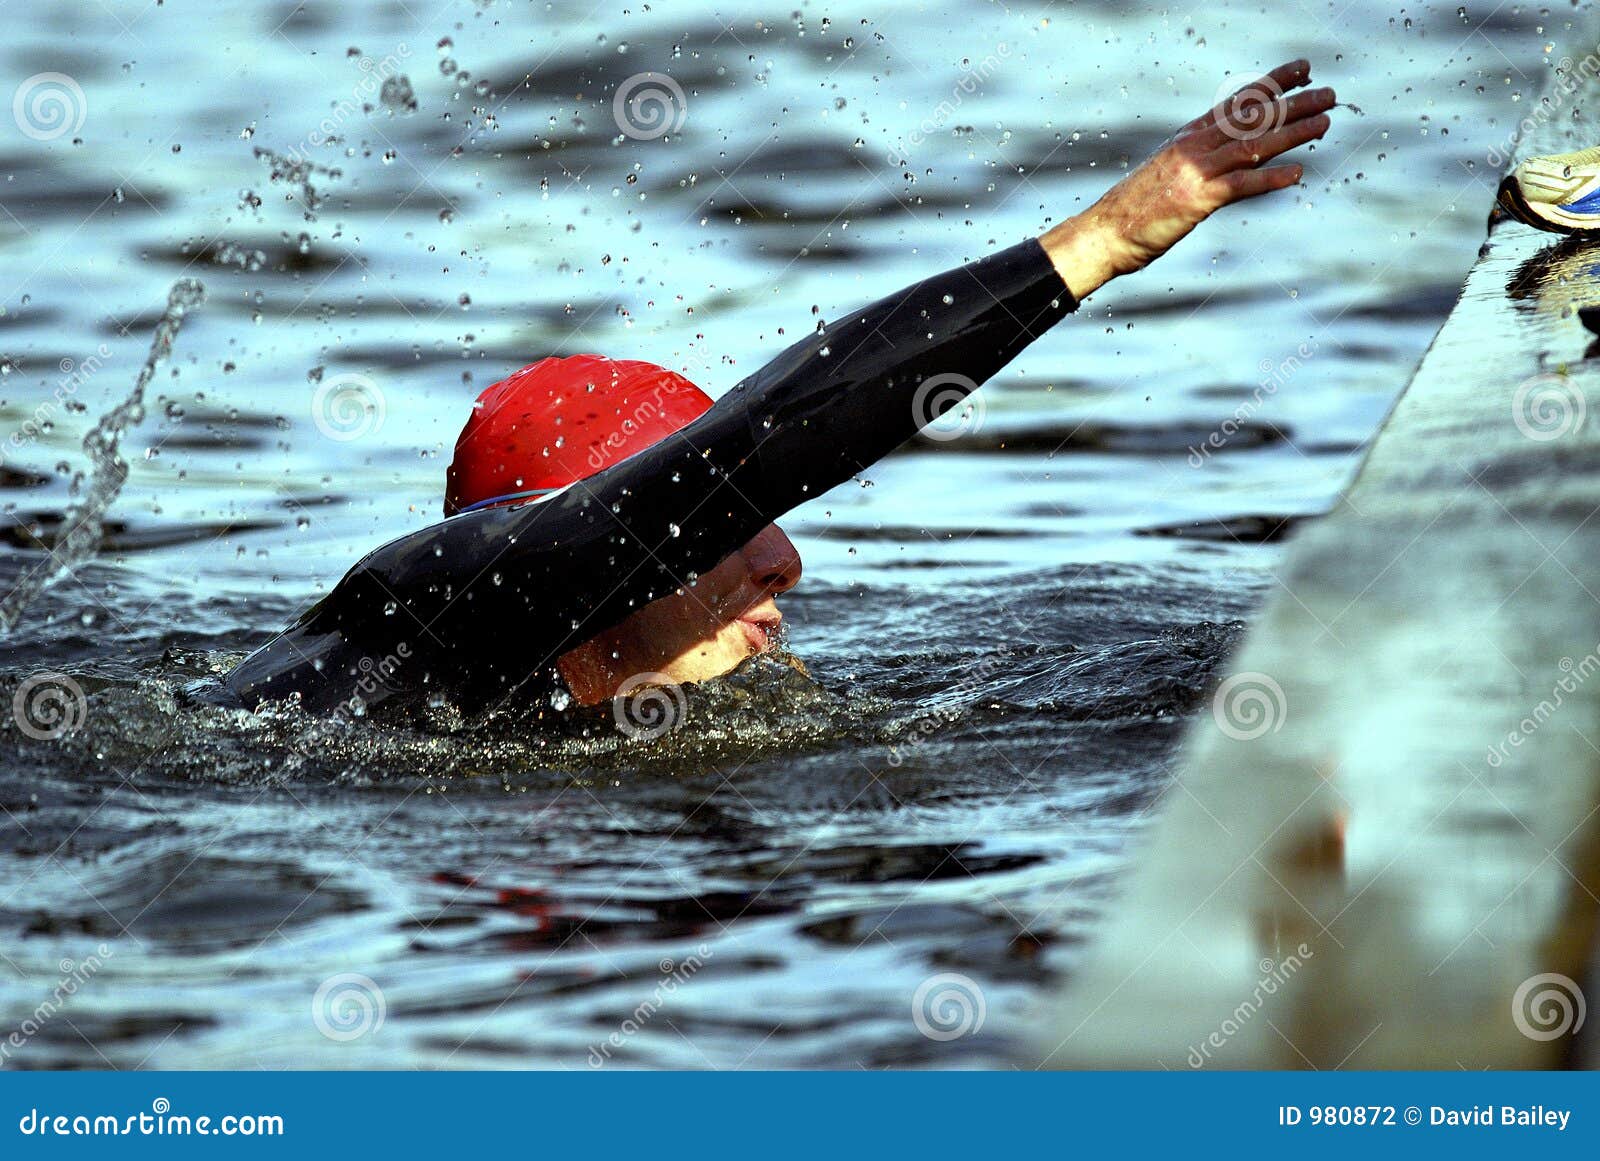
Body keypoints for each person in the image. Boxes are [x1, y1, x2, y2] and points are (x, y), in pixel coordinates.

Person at [216, 60, 1336, 721]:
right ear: (599, 533)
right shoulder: (443, 599)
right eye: (717, 523)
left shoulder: (483, 724)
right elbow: (769, 435)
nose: (782, 557)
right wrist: (1099, 242)